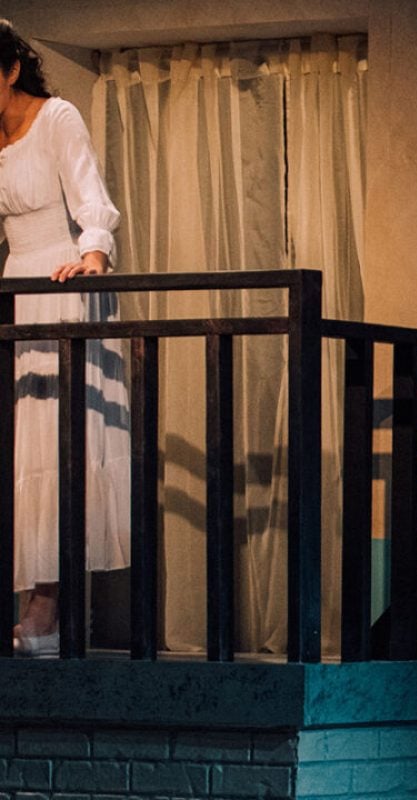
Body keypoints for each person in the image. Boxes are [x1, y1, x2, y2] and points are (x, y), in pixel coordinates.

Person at [0, 20, 130, 657]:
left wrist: (95, 254)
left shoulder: (57, 118)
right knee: (24, 446)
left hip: (61, 275)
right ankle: (36, 603)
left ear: (11, 70)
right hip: (16, 289)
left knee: (57, 442)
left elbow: (90, 199)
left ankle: (47, 606)